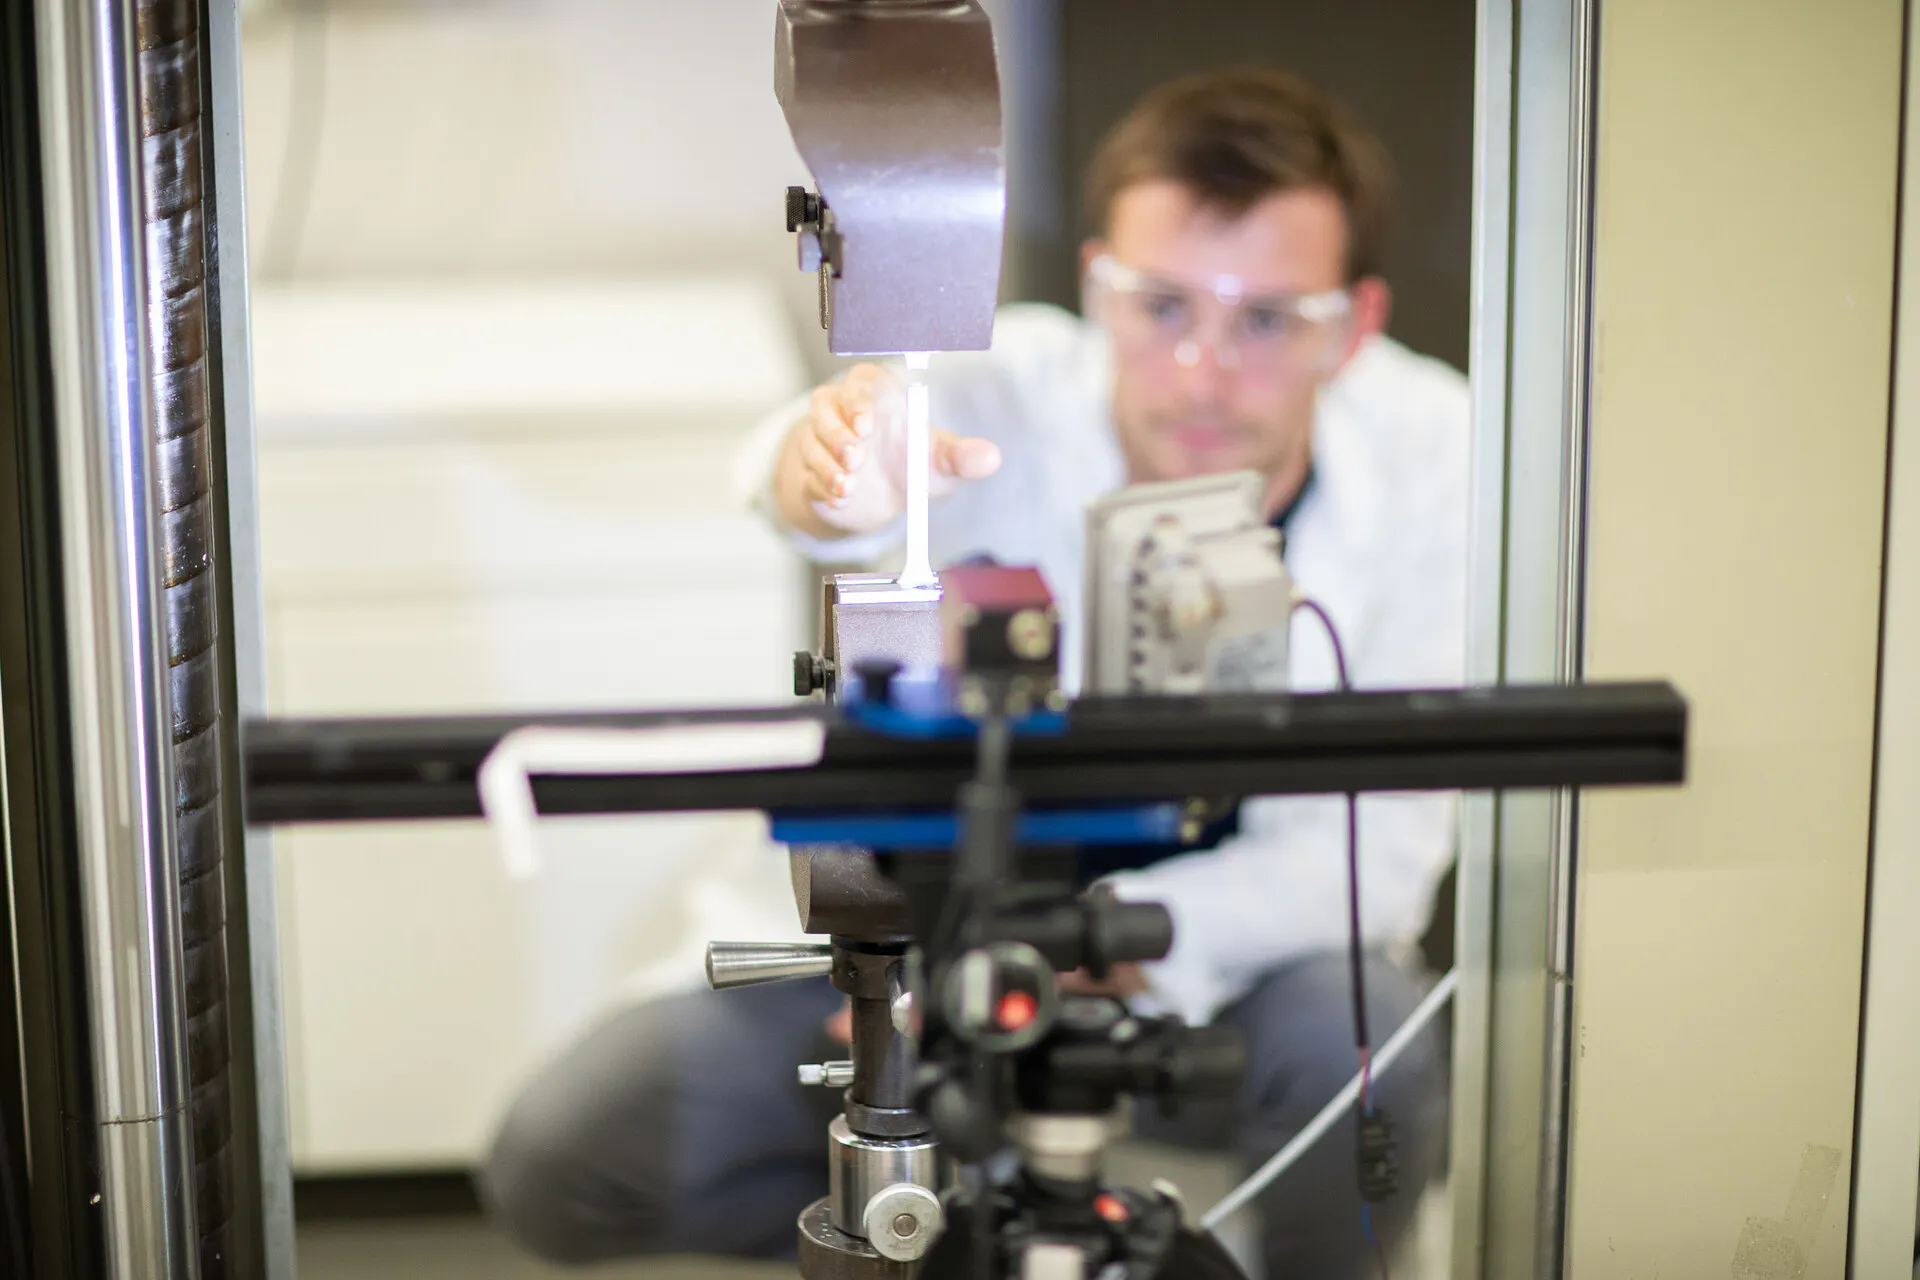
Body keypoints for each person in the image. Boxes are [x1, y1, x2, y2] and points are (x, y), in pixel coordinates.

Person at [481, 67, 1466, 1279]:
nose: (1202, 370)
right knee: (568, 1154)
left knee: (1364, 1064)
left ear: (1353, 326)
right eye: (1161, 304)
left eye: (1266, 319)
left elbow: (1376, 852)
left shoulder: (1438, 454)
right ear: (1098, 283)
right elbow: (811, 482)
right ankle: (962, 1249)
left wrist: (1085, 948)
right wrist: (834, 474)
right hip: (925, 950)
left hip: (1225, 963)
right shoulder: (1003, 390)